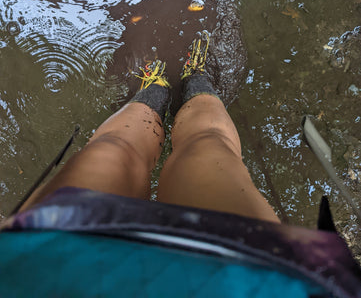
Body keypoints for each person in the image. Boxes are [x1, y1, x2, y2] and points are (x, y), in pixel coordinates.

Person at [0, 32, 360, 297]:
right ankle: (195, 80)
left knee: (114, 148)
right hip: (244, 275)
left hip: (50, 268)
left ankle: (157, 89)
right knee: (208, 146)